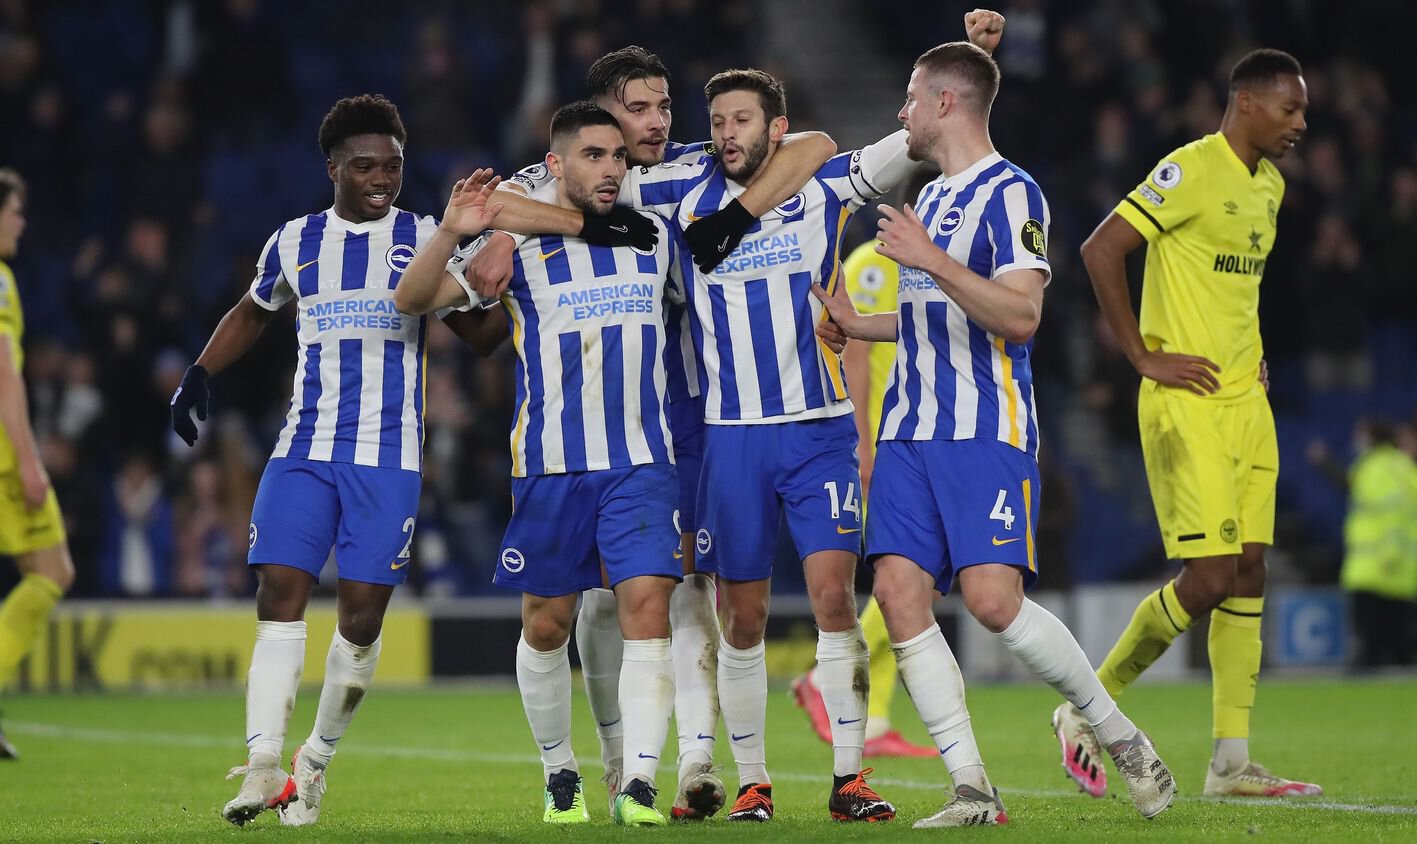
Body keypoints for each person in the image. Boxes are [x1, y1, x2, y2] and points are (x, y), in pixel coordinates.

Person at [169, 94, 625, 828]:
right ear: (334, 169)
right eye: (365, 166)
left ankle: (311, 763)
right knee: (279, 591)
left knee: (359, 621)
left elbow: (478, 337)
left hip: (387, 461)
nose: (382, 177)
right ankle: (261, 764)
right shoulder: (295, 241)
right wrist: (200, 371)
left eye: (392, 165)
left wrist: (500, 296)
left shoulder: (425, 235)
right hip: (304, 449)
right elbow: (255, 309)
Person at [814, 38, 1175, 826]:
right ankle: (971, 785)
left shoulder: (1014, 195)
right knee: (900, 593)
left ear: (945, 103)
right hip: (909, 429)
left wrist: (932, 261)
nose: (901, 114)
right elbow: (926, 319)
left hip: (985, 427)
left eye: (911, 99)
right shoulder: (932, 198)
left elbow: (1021, 315)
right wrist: (858, 322)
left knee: (991, 600)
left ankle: (1120, 736)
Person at [471, 45, 838, 821]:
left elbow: (807, 146)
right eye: (639, 108)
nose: (657, 122)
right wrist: (533, 230)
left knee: (685, 593)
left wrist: (736, 215)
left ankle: (695, 763)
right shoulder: (568, 175)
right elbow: (493, 209)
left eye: (664, 106)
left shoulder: (690, 169)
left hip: (693, 412)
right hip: (599, 419)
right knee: (599, 607)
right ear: (602, 116)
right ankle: (615, 762)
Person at [392, 102, 686, 827]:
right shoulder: (516, 248)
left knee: (646, 609)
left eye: (618, 155)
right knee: (547, 627)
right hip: (553, 465)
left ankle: (642, 783)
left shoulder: (654, 236)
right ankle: (560, 774)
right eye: (594, 154)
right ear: (556, 165)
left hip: (643, 461)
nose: (612, 167)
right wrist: (457, 231)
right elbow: (412, 298)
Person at [1059, 48, 1321, 799]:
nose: (1301, 123)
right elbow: (1102, 248)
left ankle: (1231, 763)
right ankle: (1086, 708)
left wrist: (1258, 356)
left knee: (1250, 571)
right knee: (1207, 577)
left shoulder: (1269, 185)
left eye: (1302, 111)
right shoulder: (1189, 169)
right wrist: (1140, 356)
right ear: (1246, 103)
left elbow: (1238, 293)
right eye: (1289, 108)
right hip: (1187, 402)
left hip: (1247, 400)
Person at [790, 233, 938, 760]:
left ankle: (873, 721)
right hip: (886, 444)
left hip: (918, 440)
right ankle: (817, 682)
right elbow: (852, 352)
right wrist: (863, 443)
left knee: (904, 583)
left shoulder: (926, 261)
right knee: (915, 577)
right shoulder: (872, 266)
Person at [0, 167, 75, 760]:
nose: (20, 222)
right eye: (14, 211)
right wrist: (28, 460)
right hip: (4, 459)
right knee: (52, 571)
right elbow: (5, 377)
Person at [1310, 419, 1417, 667]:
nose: (1357, 441)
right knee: (1400, 646)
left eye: (1361, 435)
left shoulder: (1374, 468)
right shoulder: (1407, 469)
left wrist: (1389, 554)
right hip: (1405, 570)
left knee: (1371, 647)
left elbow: (1388, 514)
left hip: (1373, 568)